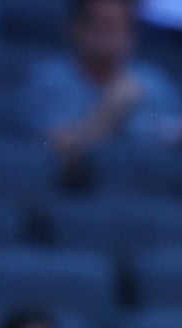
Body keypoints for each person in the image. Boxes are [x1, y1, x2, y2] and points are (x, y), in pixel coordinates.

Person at [21, 0, 182, 189]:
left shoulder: (154, 82)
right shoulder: (48, 81)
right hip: (80, 194)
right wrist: (109, 111)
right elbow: (54, 150)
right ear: (76, 28)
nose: (107, 37)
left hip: (146, 191)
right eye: (99, 26)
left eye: (115, 27)